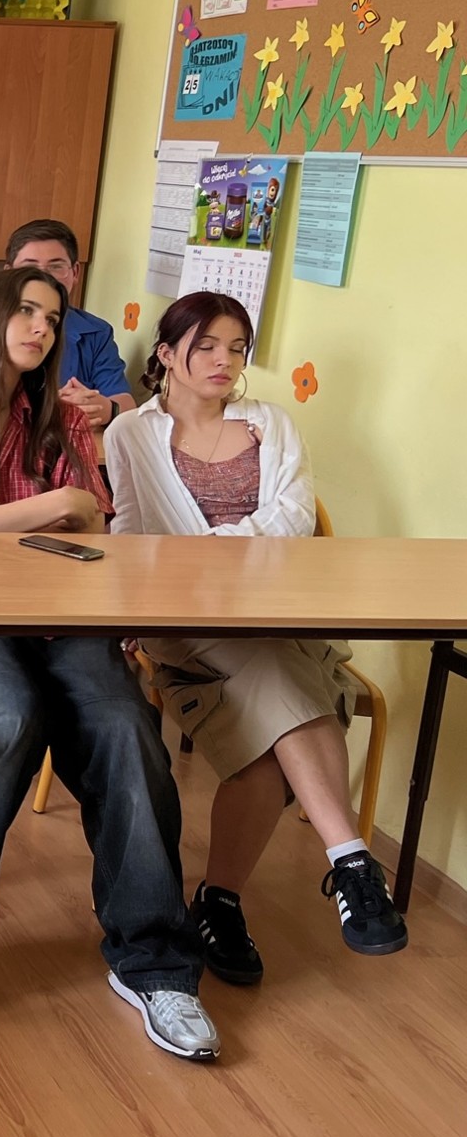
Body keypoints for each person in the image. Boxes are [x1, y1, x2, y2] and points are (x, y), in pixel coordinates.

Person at [0, 265, 217, 1061]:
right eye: (26, 311)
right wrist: (52, 505)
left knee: (127, 728)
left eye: (52, 318)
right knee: (6, 713)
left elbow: (94, 528)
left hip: (56, 618)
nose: (40, 327)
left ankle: (156, 963)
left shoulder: (61, 422)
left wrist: (46, 514)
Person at [105, 291, 407, 982]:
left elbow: (295, 516)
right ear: (166, 354)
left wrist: (214, 552)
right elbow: (130, 530)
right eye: (207, 346)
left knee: (267, 740)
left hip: (277, 615)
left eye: (237, 348)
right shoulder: (130, 433)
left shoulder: (272, 422)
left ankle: (219, 902)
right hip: (185, 622)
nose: (224, 360)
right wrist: (139, 608)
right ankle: (352, 861)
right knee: (281, 680)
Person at [0, 218, 132, 432]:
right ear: (8, 273)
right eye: (29, 267)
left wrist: (105, 408)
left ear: (75, 273)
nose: (43, 276)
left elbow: (126, 404)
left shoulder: (96, 332)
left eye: (56, 266)